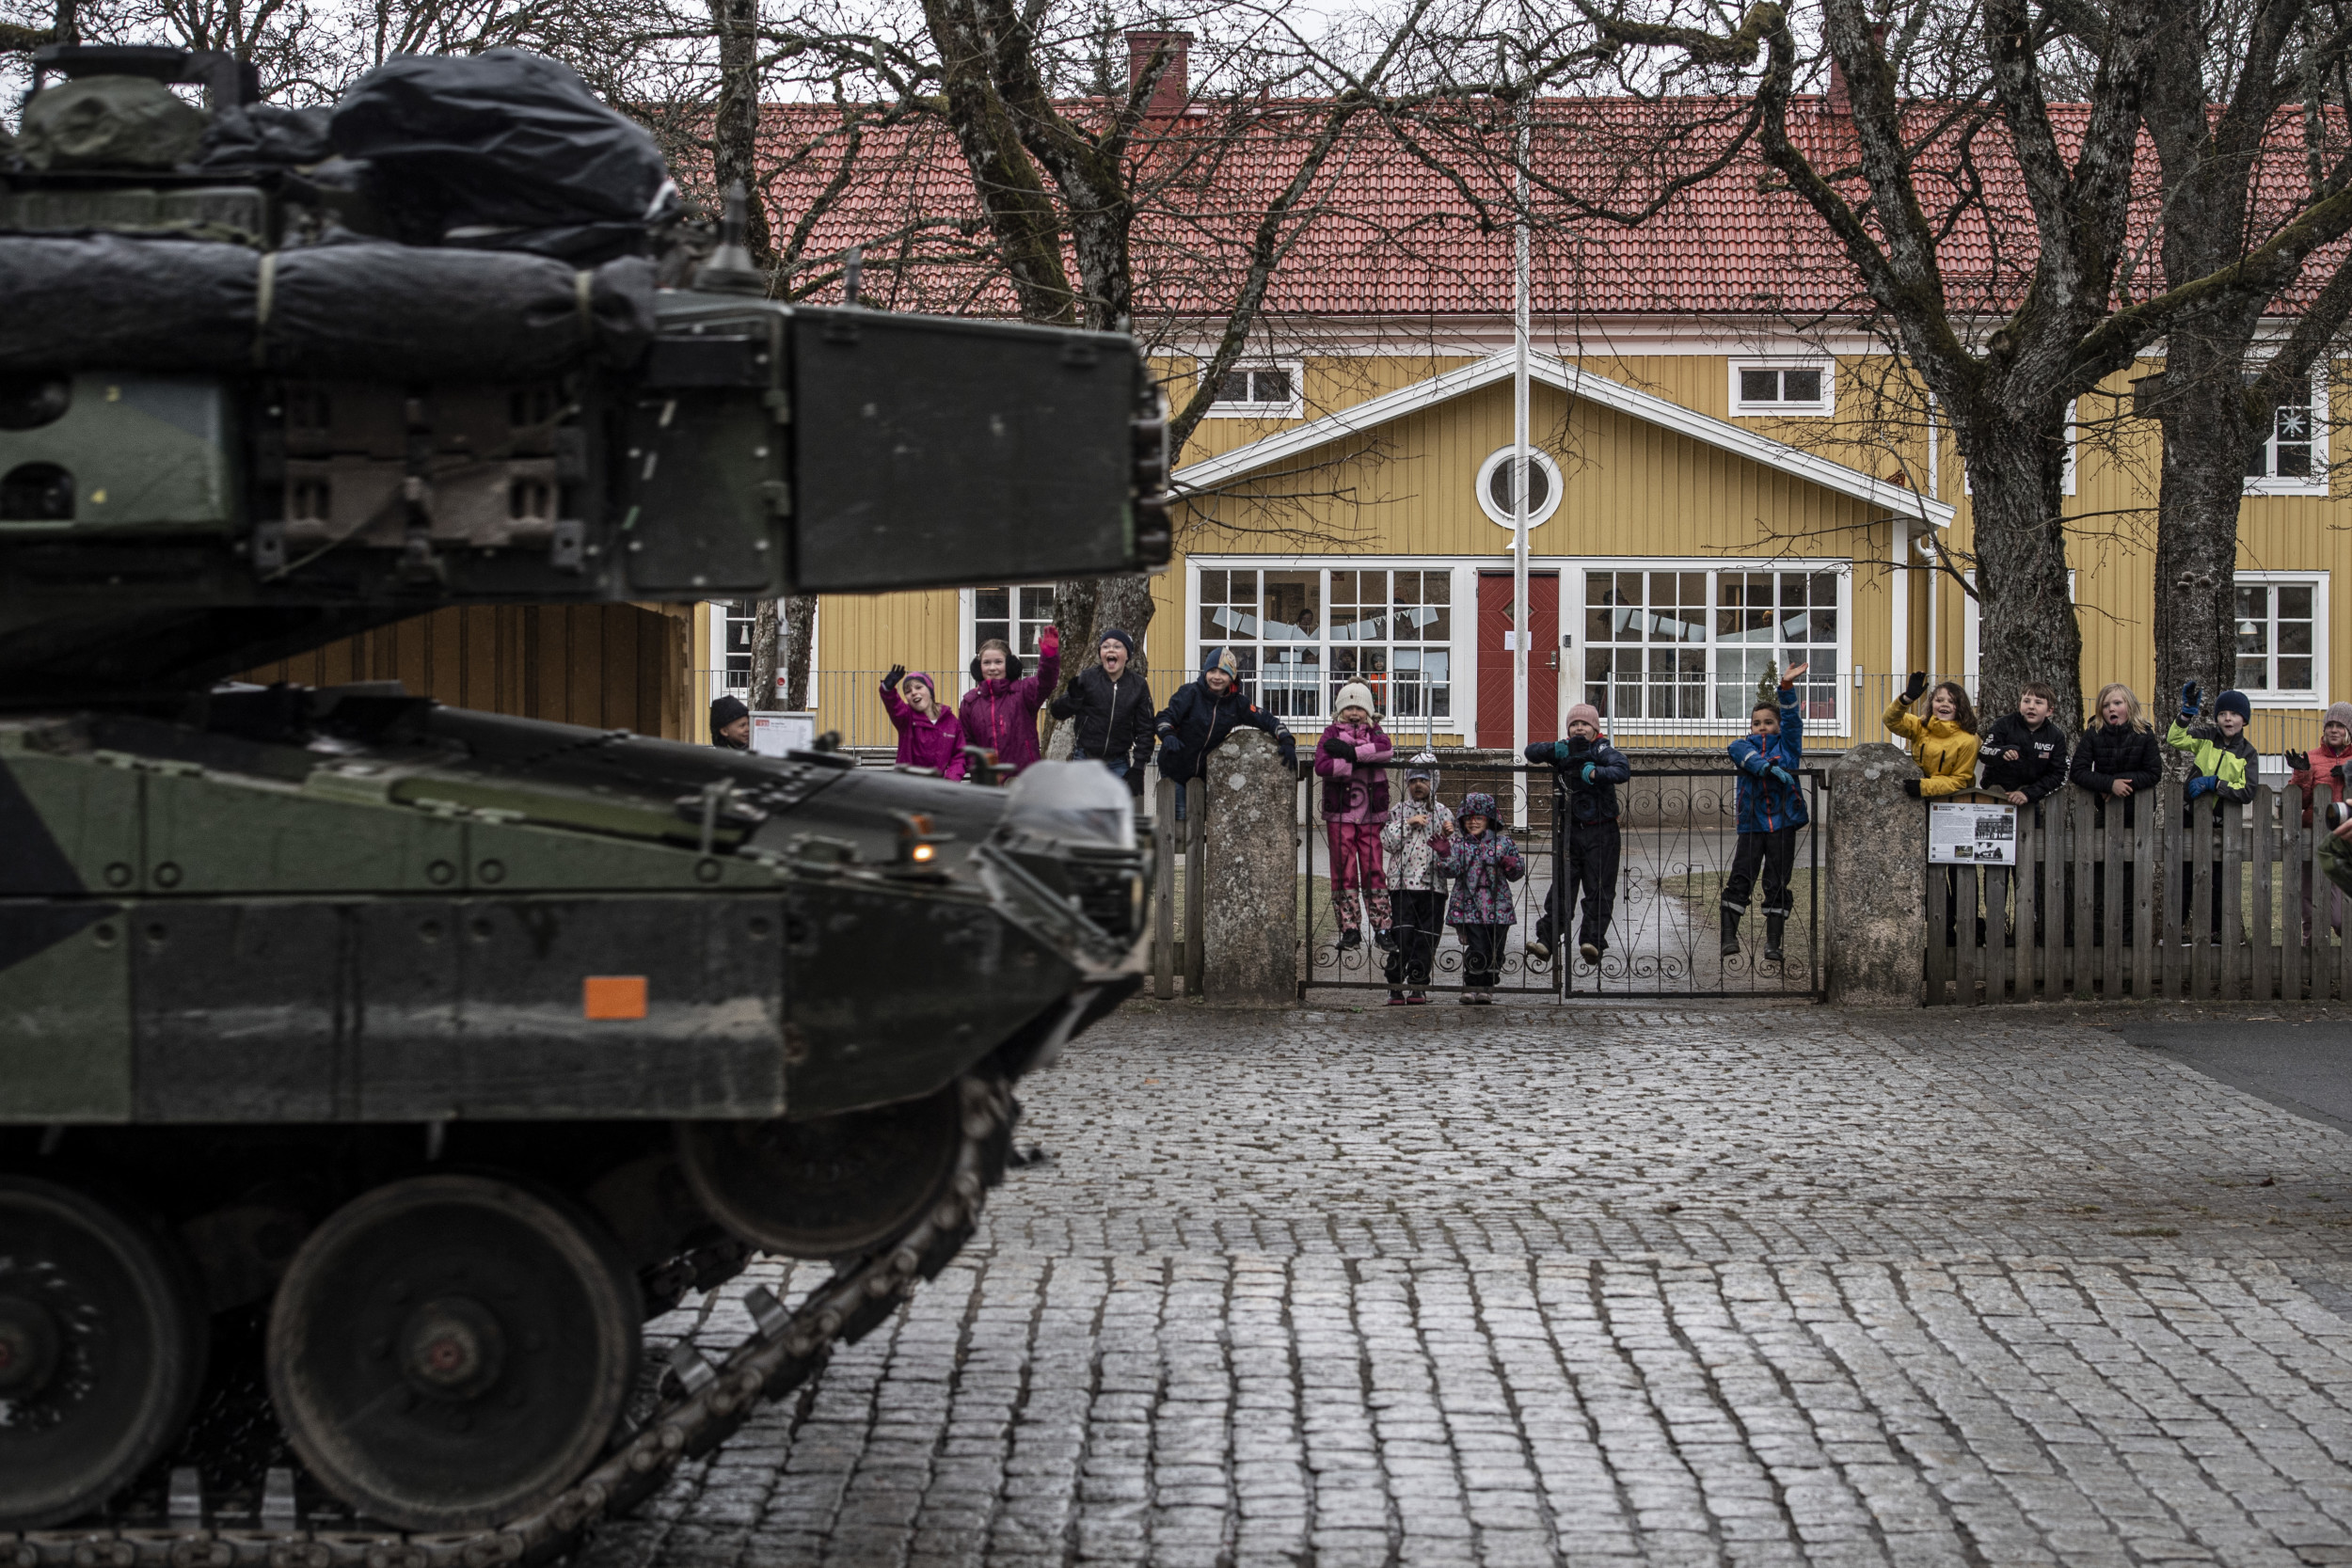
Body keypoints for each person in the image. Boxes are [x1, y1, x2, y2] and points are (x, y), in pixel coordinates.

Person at [1521, 702, 1630, 967]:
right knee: (1562, 887)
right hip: (1570, 831)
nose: (1579, 727)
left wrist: (1595, 771)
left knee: (1600, 888)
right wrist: (1554, 749)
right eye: (1574, 724)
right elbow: (1530, 752)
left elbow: (1622, 769)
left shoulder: (1601, 749)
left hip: (1602, 831)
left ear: (1595, 729)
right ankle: (1546, 941)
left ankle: (1591, 941)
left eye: (1585, 724)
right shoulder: (1563, 749)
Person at [1722, 663, 1808, 962]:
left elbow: (1794, 721)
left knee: (1776, 882)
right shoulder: (1742, 746)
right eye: (1757, 722)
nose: (1762, 727)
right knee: (1741, 878)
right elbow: (1738, 752)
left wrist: (1785, 686)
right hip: (1752, 825)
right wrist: (1767, 768)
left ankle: (1774, 943)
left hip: (1783, 824)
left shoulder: (1788, 746)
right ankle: (1728, 937)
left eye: (1768, 722)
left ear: (1778, 726)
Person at [1977, 680, 2070, 948]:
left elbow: (2059, 774)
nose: (2031, 706)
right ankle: (1996, 925)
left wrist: (2030, 793)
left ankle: (2029, 928)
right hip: (1995, 802)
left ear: (2049, 711)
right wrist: (2002, 753)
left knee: (2027, 868)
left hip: (2029, 806)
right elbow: (1985, 751)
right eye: (2026, 700)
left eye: (2038, 703)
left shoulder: (2055, 737)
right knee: (1995, 866)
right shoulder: (2004, 725)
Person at [2070, 682, 2161, 946]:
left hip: (2138, 817)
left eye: (2117, 703)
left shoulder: (2144, 733)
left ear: (2129, 706)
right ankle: (2099, 941)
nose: (2112, 708)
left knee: (2132, 883)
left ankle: (2130, 943)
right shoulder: (2094, 733)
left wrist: (2122, 782)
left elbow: (2153, 772)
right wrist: (2108, 784)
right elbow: (2079, 770)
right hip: (2105, 813)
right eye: (2106, 704)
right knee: (2099, 879)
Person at [1153, 648, 1295, 818]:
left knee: (1200, 819)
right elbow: (1165, 717)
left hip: (1203, 774)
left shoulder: (1237, 704)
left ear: (1232, 676)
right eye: (1212, 671)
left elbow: (1266, 719)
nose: (1217, 677)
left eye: (1223, 672)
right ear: (1206, 672)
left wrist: (1286, 739)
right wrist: (1168, 734)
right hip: (1174, 767)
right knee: (1180, 817)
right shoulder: (1190, 693)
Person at [2169, 681, 2257, 942]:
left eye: (2234, 714)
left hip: (2222, 823)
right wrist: (2186, 714)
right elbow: (2175, 739)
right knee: (2184, 875)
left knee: (2219, 879)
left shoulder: (2248, 753)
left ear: (2244, 719)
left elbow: (2247, 790)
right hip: (2190, 815)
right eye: (2222, 714)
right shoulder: (2206, 737)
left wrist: (2215, 784)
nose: (2227, 719)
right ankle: (2178, 930)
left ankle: (2219, 931)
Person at [1314, 680, 1393, 950]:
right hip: (1341, 812)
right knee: (1343, 869)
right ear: (1340, 710)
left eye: (1360, 707)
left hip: (1371, 810)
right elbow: (1322, 765)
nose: (1354, 713)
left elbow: (1386, 750)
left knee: (1373, 868)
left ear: (1369, 710)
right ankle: (1350, 929)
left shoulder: (1377, 732)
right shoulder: (1330, 733)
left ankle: (1383, 928)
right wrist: (1358, 761)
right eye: (1349, 707)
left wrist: (1350, 753)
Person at [1431, 790, 1523, 1004]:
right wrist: (1445, 854)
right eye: (1469, 818)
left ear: (1489, 819)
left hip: (1499, 907)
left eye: (1479, 817)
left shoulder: (1504, 844)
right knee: (1477, 947)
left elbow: (1516, 873)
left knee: (1496, 949)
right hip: (1469, 906)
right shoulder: (1461, 846)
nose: (1473, 822)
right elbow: (1451, 870)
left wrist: (1513, 865)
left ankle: (1488, 985)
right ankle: (1471, 984)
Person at [1378, 768, 1454, 1005]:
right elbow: (1387, 842)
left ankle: (1418, 984)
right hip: (1402, 884)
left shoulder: (1443, 812)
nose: (1418, 785)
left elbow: (1453, 852)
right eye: (1413, 781)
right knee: (1402, 934)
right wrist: (1408, 823)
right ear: (1407, 784)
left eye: (1423, 780)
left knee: (1427, 937)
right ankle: (1395, 984)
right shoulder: (1399, 811)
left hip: (1434, 886)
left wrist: (1448, 837)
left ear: (1433, 782)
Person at [1048, 628, 1153, 794]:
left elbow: (1146, 728)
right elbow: (1057, 712)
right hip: (1085, 758)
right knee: (1081, 812)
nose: (1111, 650)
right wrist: (1072, 699)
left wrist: (1139, 767)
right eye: (1105, 646)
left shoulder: (1138, 685)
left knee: (1115, 814)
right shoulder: (1088, 678)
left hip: (1117, 761)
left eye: (1117, 646)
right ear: (1100, 653)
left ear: (1128, 655)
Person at [959, 626, 1060, 780]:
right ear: (978, 667)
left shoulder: (1024, 692)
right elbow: (967, 743)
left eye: (998, 662)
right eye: (987, 663)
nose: (992, 668)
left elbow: (1046, 681)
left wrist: (1049, 657)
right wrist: (980, 771)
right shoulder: (969, 702)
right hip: (988, 783)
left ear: (1010, 664)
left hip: (1024, 779)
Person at [2289, 701, 2352, 940]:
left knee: (2340, 914)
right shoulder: (2312, 758)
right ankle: (2311, 960)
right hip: (2313, 837)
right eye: (2330, 725)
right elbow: (2300, 801)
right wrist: (2302, 774)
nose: (2334, 730)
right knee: (2310, 902)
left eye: (2340, 726)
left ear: (2349, 731)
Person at [1883, 672, 1981, 796]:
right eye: (1939, 700)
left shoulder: (1968, 739)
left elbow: (1960, 781)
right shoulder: (1921, 725)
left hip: (1950, 800)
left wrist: (1924, 787)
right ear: (1932, 704)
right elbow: (1891, 721)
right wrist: (1906, 699)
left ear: (1961, 707)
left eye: (1952, 702)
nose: (1945, 704)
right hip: (1916, 792)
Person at [880, 666, 966, 780]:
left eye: (918, 687)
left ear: (930, 690)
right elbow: (894, 706)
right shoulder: (906, 717)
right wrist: (887, 690)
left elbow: (959, 756)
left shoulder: (951, 722)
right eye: (908, 691)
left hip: (937, 788)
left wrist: (951, 780)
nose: (914, 693)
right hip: (907, 787)